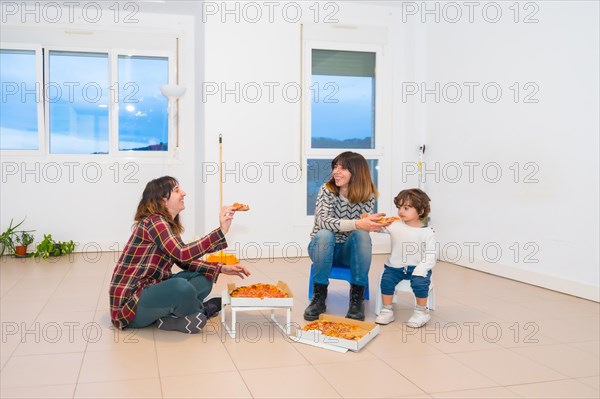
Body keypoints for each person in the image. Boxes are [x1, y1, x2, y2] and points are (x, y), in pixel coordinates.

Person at [109, 176, 251, 334]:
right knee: (181, 287)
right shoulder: (154, 222)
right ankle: (203, 311)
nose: (183, 193)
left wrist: (221, 268)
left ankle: (169, 319)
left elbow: (182, 260)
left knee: (204, 278)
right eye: (176, 190)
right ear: (162, 200)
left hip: (152, 289)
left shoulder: (167, 225)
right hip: (132, 306)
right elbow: (182, 253)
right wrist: (222, 231)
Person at [304, 151, 390, 322]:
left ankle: (356, 298)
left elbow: (363, 225)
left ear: (356, 172)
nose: (336, 171)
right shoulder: (327, 190)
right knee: (324, 234)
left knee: (362, 235)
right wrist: (357, 224)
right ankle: (319, 297)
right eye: (335, 166)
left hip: (347, 252)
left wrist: (379, 225)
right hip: (322, 248)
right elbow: (322, 221)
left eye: (342, 168)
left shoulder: (367, 195)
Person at [374, 188, 436, 328]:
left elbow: (430, 255)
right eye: (400, 207)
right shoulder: (395, 224)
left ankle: (421, 312)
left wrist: (421, 270)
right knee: (386, 281)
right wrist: (370, 220)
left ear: (420, 211)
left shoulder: (427, 232)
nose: (401, 211)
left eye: (406, 208)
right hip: (395, 267)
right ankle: (387, 309)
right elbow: (378, 227)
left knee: (420, 283)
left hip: (417, 267)